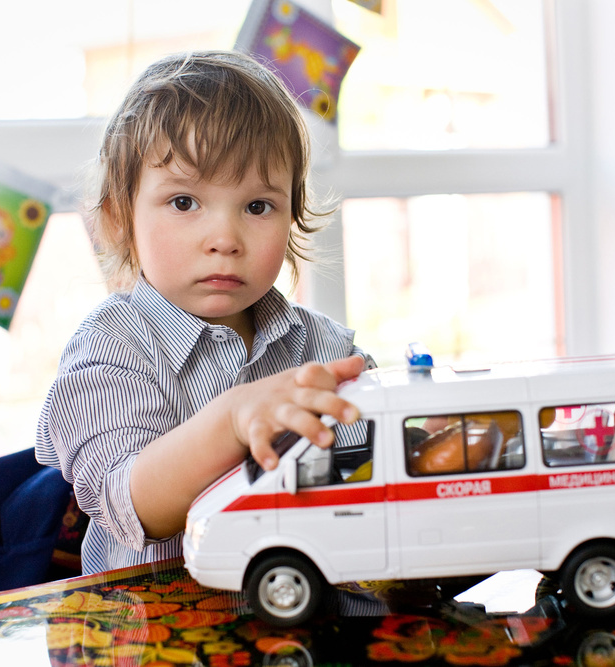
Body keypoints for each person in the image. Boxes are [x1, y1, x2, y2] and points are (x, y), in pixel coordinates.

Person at [35, 50, 372, 575]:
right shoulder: (109, 348)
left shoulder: (323, 349)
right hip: (157, 638)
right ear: (119, 217)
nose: (224, 239)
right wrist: (234, 418)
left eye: (258, 207)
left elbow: (375, 472)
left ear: (293, 218)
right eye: (185, 202)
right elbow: (134, 504)